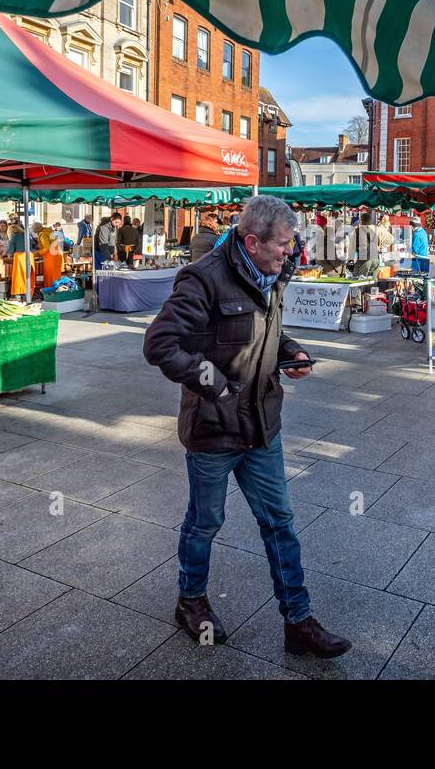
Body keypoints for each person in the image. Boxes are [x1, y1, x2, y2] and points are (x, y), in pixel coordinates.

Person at [143, 195, 351, 659]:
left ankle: (298, 621)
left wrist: (290, 353)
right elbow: (160, 343)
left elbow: (268, 332)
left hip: (262, 426)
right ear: (252, 241)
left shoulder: (272, 273)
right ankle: (190, 601)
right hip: (214, 430)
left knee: (279, 523)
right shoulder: (204, 278)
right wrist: (213, 385)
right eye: (282, 243)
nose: (290, 250)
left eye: (292, 241)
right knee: (205, 522)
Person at [351, 212, 380, 277]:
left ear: (361, 220)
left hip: (365, 259)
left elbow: (353, 246)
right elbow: (378, 245)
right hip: (376, 260)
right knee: (371, 282)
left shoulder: (358, 231)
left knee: (358, 280)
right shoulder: (373, 232)